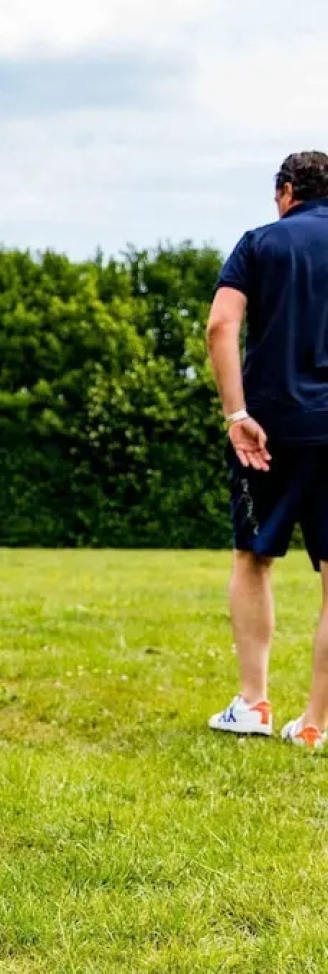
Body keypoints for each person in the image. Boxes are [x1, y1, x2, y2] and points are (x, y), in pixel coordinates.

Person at [206, 150, 328, 748]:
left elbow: (220, 326)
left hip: (268, 432)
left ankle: (253, 704)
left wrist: (237, 414)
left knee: (254, 559)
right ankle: (316, 725)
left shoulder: (260, 243)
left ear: (286, 190)